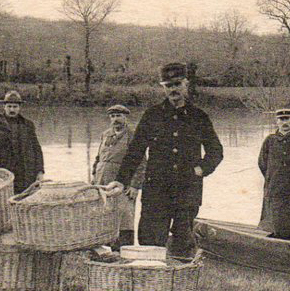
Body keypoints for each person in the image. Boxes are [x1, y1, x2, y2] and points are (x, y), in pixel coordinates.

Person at [108, 63, 224, 260]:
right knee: (150, 244)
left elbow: (216, 151)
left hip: (187, 192)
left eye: (177, 84)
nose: (173, 90)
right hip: (156, 192)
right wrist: (121, 180)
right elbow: (135, 151)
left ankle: (179, 283)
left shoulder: (199, 116)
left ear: (186, 84)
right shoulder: (152, 115)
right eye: (168, 85)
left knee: (183, 244)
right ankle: (150, 283)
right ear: (163, 87)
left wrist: (201, 169)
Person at [92, 104, 145, 249]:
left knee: (124, 218)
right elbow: (98, 158)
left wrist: (135, 185)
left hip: (123, 184)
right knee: (103, 216)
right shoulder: (105, 134)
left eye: (118, 116)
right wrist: (94, 177)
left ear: (125, 117)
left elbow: (140, 162)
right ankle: (104, 252)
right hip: (102, 182)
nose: (115, 119)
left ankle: (123, 252)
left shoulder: (133, 135)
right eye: (112, 116)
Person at [258, 108, 290, 241]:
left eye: (288, 119)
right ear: (277, 122)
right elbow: (262, 163)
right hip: (275, 187)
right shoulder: (270, 140)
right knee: (275, 219)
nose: (285, 122)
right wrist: (273, 177)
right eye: (282, 119)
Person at [0, 91, 44, 193]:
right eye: (9, 106)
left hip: (26, 171)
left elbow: (36, 148)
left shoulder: (28, 124)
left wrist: (40, 171)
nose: (12, 109)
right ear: (4, 107)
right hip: (5, 171)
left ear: (19, 107)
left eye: (15, 106)